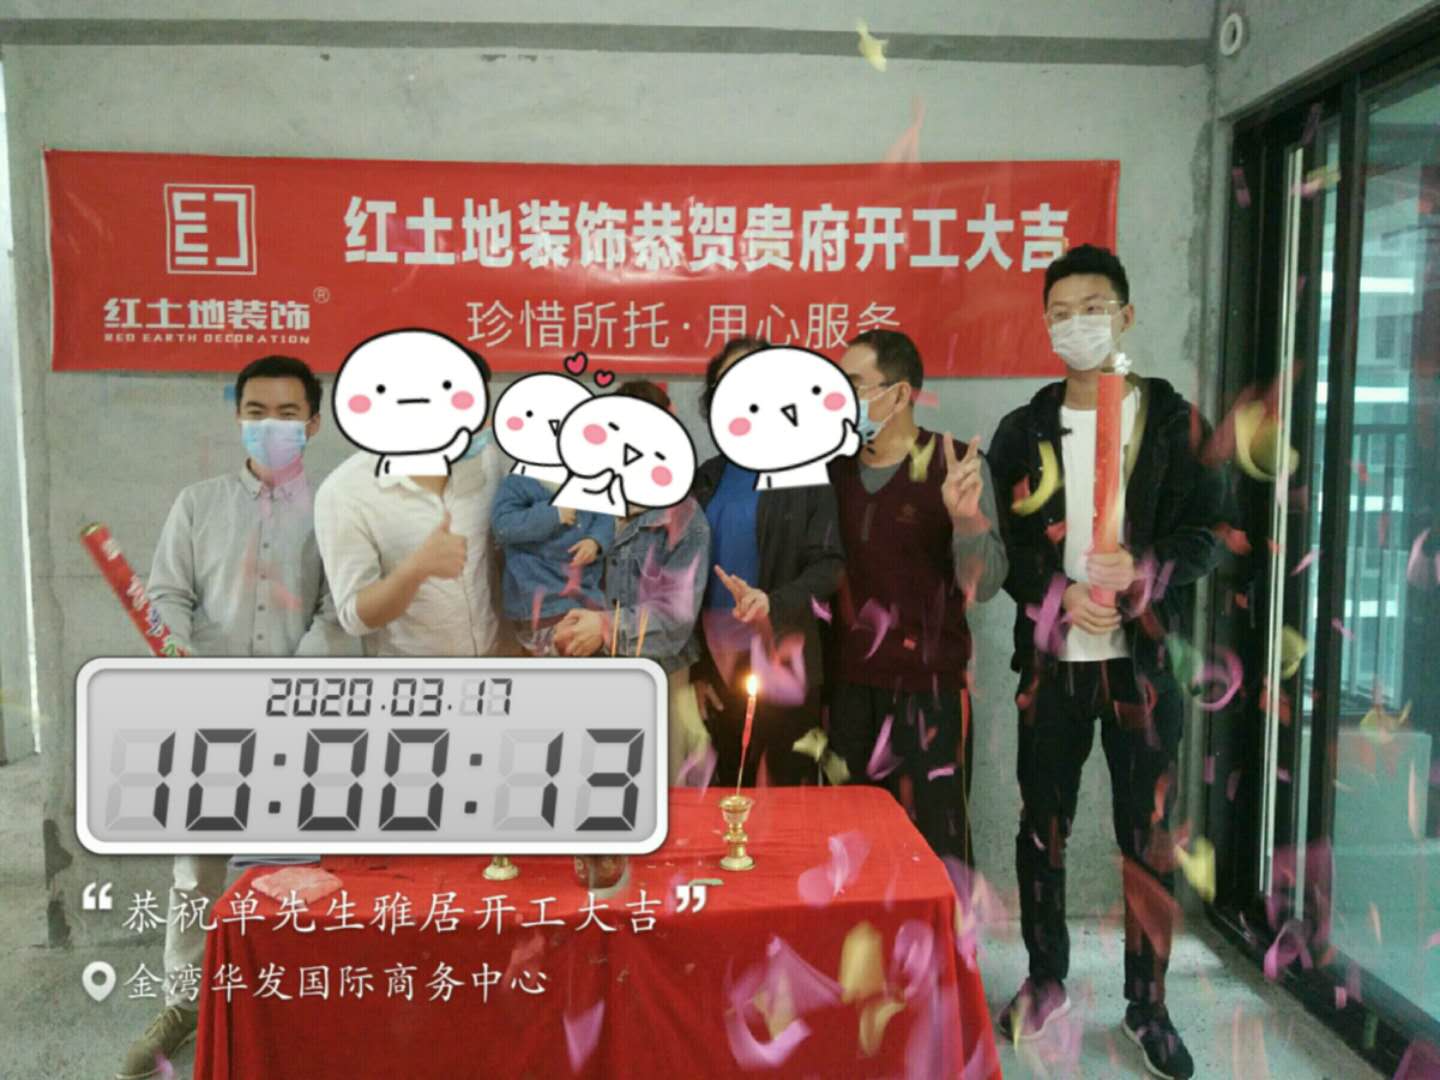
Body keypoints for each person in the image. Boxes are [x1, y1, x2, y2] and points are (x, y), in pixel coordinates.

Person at [988, 244, 1226, 1079]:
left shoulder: (1174, 424)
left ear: (1125, 315)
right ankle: (1046, 980)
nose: (1075, 324)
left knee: (1148, 836)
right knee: (1041, 825)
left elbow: (1210, 534)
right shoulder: (1023, 429)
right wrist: (1058, 594)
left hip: (1144, 668)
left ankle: (1147, 1006)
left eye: (1091, 308)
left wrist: (1145, 571)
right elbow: (1008, 548)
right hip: (1053, 665)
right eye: (1059, 312)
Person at [119, 355, 357, 1080]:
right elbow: (167, 594)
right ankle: (185, 1004)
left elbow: (338, 612)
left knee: (297, 870)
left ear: (313, 423)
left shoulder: (335, 510)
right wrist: (185, 658)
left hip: (299, 716)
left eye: (287, 414)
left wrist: (288, 682)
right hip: (207, 714)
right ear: (238, 418)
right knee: (196, 871)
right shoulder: (198, 504)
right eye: (256, 413)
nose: (270, 427)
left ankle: (290, 1003)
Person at [826, 329, 1007, 866]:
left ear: (900, 393)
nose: (840, 398)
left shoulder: (958, 465)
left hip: (930, 692)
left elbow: (984, 584)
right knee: (852, 847)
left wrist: (966, 519)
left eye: (853, 384)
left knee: (936, 847)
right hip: (849, 690)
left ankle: (946, 927)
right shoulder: (831, 469)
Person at [691, 337, 845, 786]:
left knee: (788, 792)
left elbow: (830, 565)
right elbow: (686, 578)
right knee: (726, 790)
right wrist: (698, 668)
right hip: (717, 663)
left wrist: (772, 601)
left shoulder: (807, 472)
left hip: (783, 658)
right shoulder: (708, 476)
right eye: (726, 384)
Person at [554, 380, 711, 780]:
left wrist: (605, 628)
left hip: (659, 677)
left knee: (659, 789)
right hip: (585, 674)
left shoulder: (683, 517)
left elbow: (675, 620)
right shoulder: (579, 505)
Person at [315, 346, 507, 656]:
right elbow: (354, 617)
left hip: (496, 658)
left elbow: (495, 556)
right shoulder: (345, 492)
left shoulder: (484, 458)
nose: (483, 426)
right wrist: (415, 570)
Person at [491, 431, 615, 656]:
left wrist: (595, 541)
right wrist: (553, 514)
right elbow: (503, 526)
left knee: (590, 648)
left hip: (585, 592)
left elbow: (605, 517)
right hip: (539, 597)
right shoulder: (518, 482)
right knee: (556, 653)